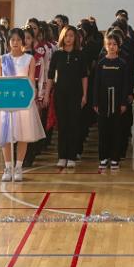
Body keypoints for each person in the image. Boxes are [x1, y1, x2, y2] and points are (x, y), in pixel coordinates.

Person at [0, 28, 45, 182]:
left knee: (23, 134)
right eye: (12, 39)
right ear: (8, 41)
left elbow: (31, 82)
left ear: (23, 41)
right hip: (6, 103)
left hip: (22, 102)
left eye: (18, 39)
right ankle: (8, 167)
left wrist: (30, 95)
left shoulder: (29, 59)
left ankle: (19, 167)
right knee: (5, 134)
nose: (15, 42)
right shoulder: (2, 59)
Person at [45, 25, 88, 169]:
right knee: (62, 125)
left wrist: (85, 95)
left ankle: (72, 156)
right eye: (66, 35)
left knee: (74, 125)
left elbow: (84, 76)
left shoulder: (80, 55)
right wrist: (47, 94)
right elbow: (50, 76)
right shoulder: (57, 55)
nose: (69, 38)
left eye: (71, 36)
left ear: (75, 38)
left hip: (76, 94)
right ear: (62, 37)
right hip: (60, 94)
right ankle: (62, 156)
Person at [94, 29, 134, 170]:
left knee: (117, 131)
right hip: (103, 101)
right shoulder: (101, 63)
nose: (112, 46)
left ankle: (115, 158)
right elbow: (96, 84)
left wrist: (123, 102)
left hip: (117, 101)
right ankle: (103, 157)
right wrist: (95, 102)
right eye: (109, 44)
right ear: (105, 46)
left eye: (114, 44)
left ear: (118, 46)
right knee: (103, 131)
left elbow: (125, 84)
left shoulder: (122, 64)